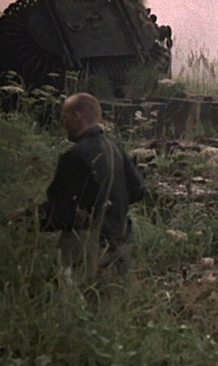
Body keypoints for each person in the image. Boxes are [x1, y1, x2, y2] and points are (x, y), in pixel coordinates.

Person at [35, 92, 145, 284]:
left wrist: (30, 217)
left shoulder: (74, 156)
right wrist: (112, 208)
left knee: (74, 296)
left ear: (77, 116)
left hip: (85, 250)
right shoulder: (115, 149)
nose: (63, 123)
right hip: (119, 244)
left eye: (65, 117)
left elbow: (60, 211)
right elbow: (138, 190)